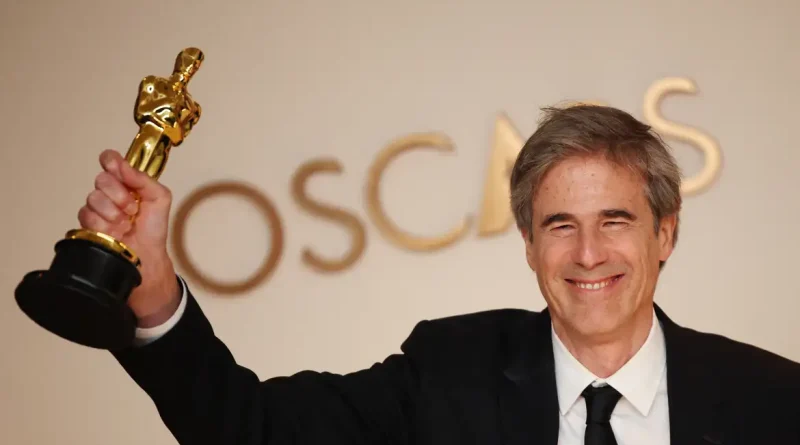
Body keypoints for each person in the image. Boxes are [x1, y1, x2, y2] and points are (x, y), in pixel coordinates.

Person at [80, 105, 800, 444]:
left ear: (665, 232)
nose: (588, 253)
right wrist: (156, 293)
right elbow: (253, 431)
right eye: (560, 225)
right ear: (528, 244)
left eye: (614, 221)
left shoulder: (774, 401)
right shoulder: (449, 373)